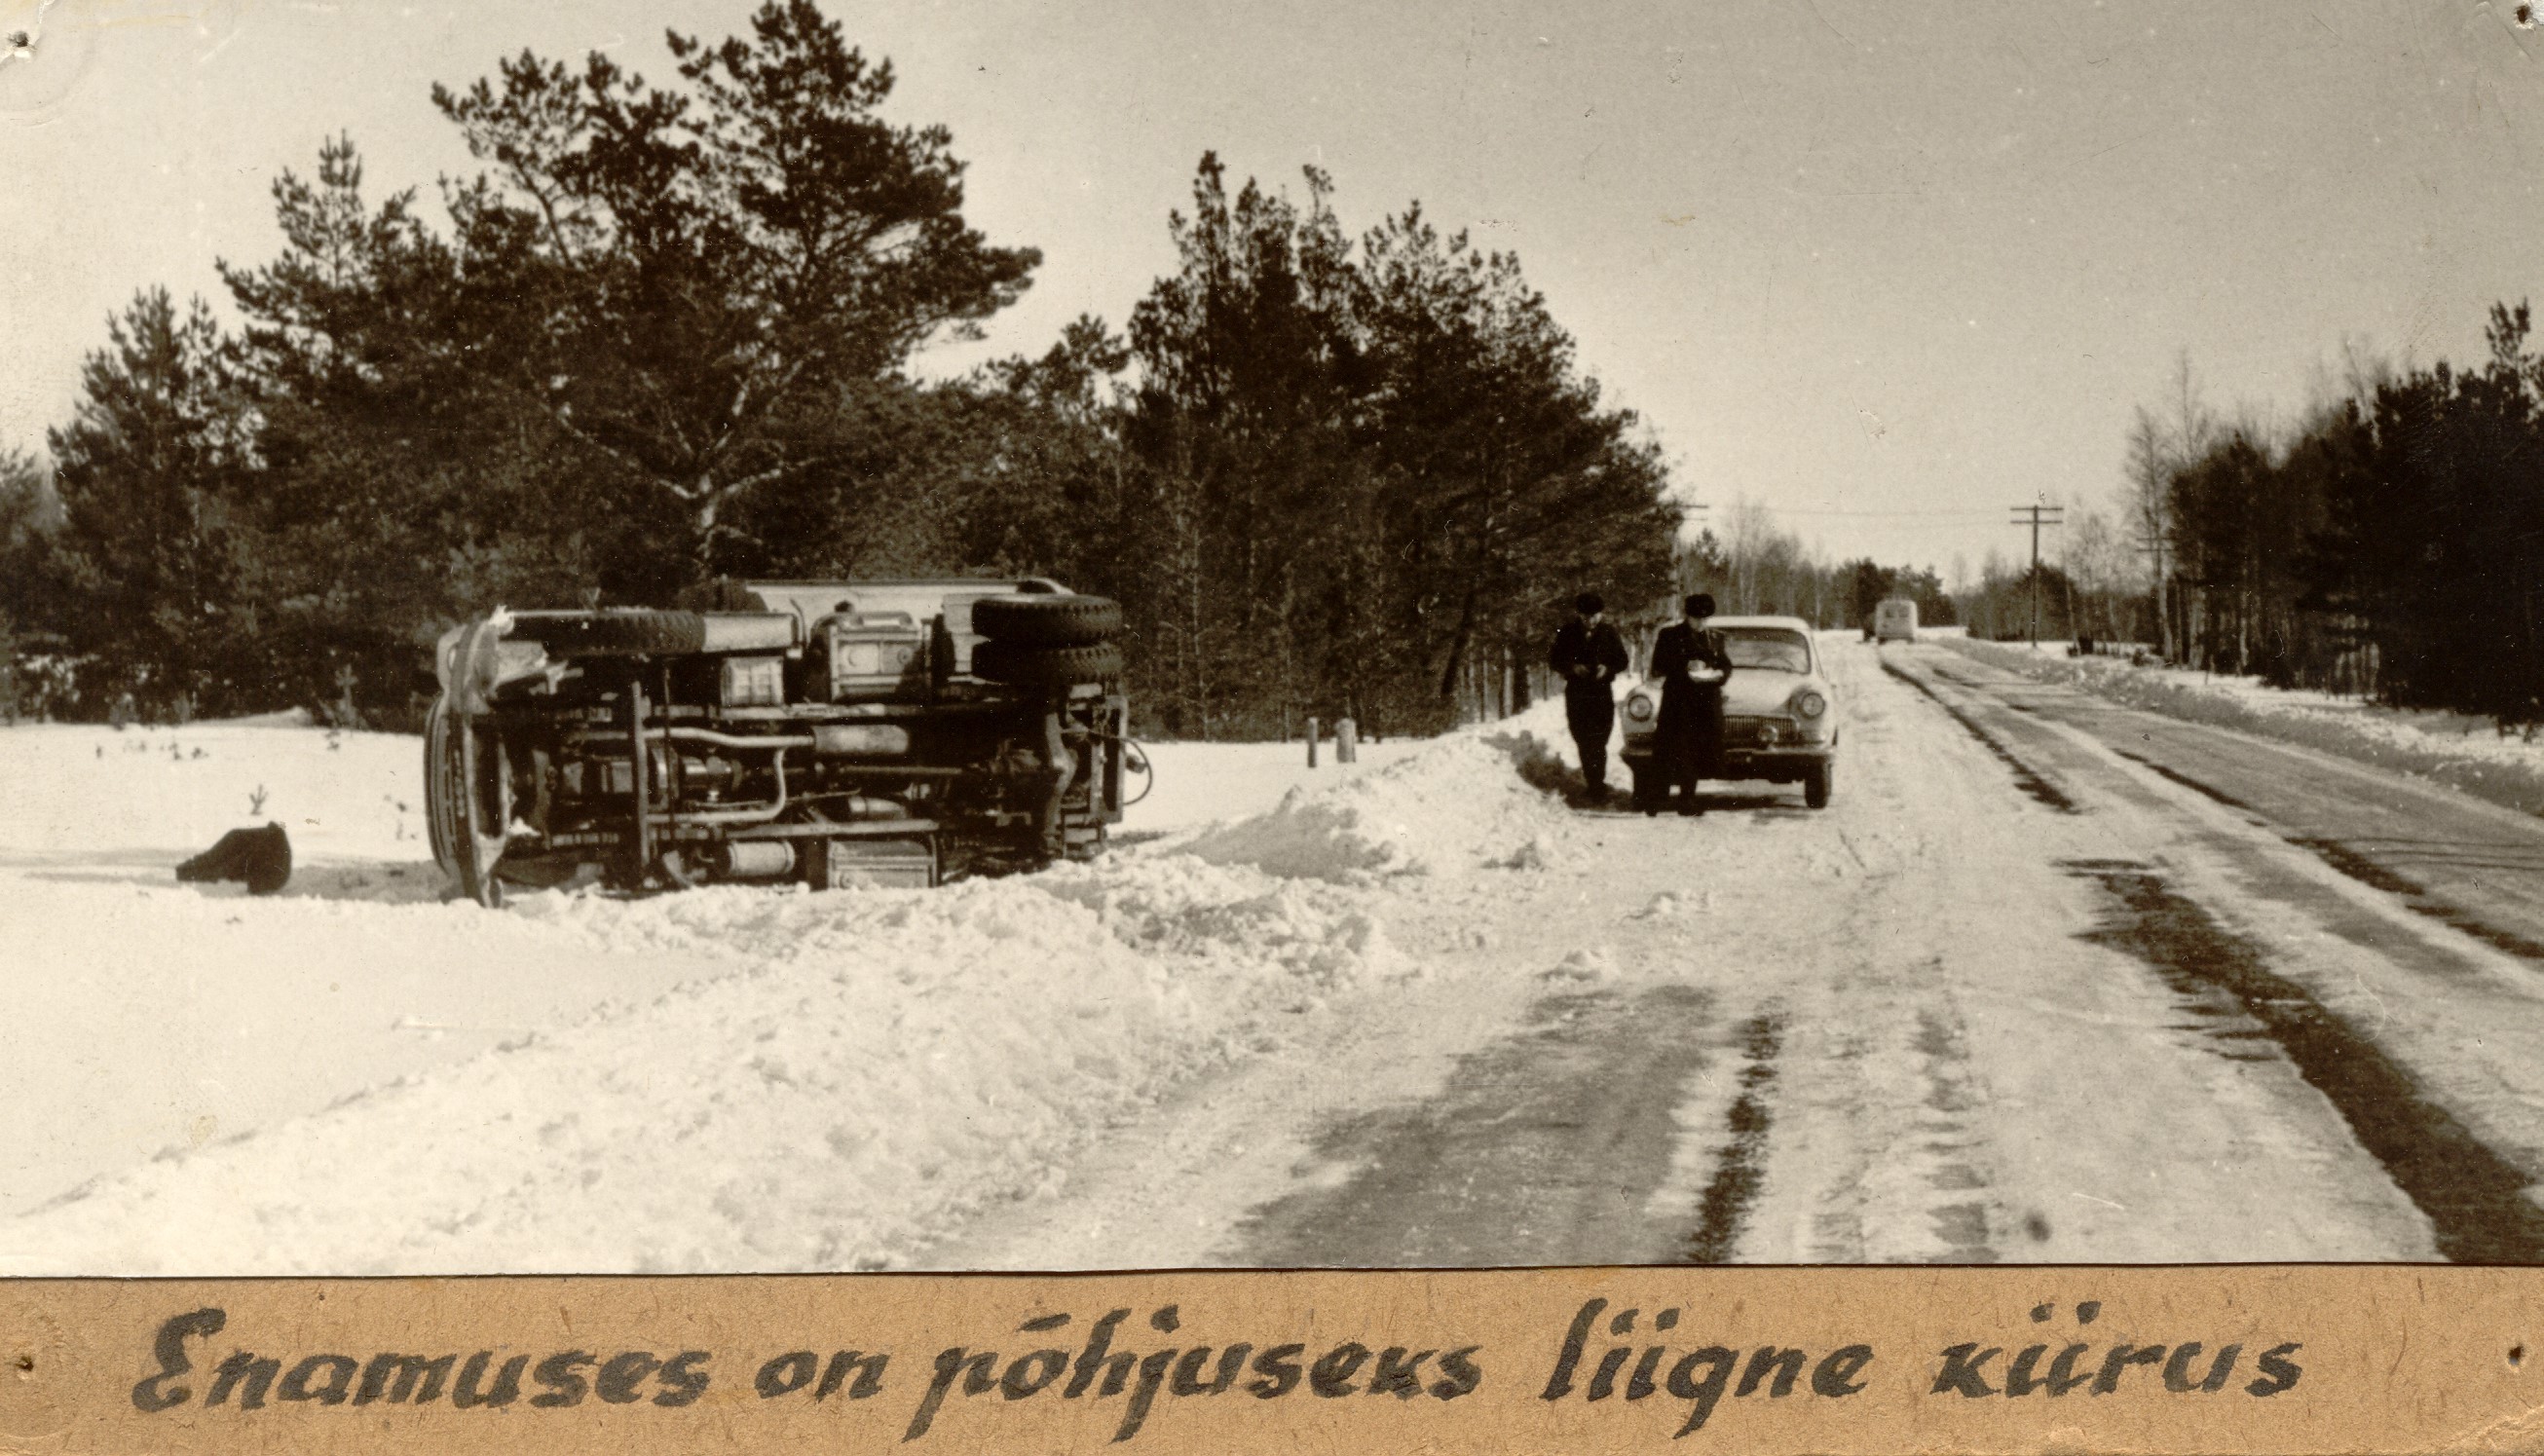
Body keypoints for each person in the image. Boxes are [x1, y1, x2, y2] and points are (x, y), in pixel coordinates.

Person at [1646, 592, 1733, 816]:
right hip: (1679, 703)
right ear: (1688, 616)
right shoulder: (1670, 635)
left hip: (1705, 705)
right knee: (1674, 750)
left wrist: (1719, 674)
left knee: (1697, 752)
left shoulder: (1715, 638)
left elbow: (1725, 664)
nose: (1701, 623)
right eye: (1697, 618)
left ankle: (1687, 799)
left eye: (1705, 619)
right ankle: (1658, 799)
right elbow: (1659, 666)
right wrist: (1685, 666)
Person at [1550, 592, 1630, 803]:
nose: (1591, 620)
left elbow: (1622, 660)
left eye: (1595, 616)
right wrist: (1573, 667)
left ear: (1601, 614)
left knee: (1599, 739)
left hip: (1601, 693)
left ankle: (1596, 784)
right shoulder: (1567, 632)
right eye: (1586, 616)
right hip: (1577, 694)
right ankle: (1594, 783)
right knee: (1583, 739)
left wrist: (1607, 668)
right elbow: (1554, 659)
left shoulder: (1608, 632)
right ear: (1579, 614)